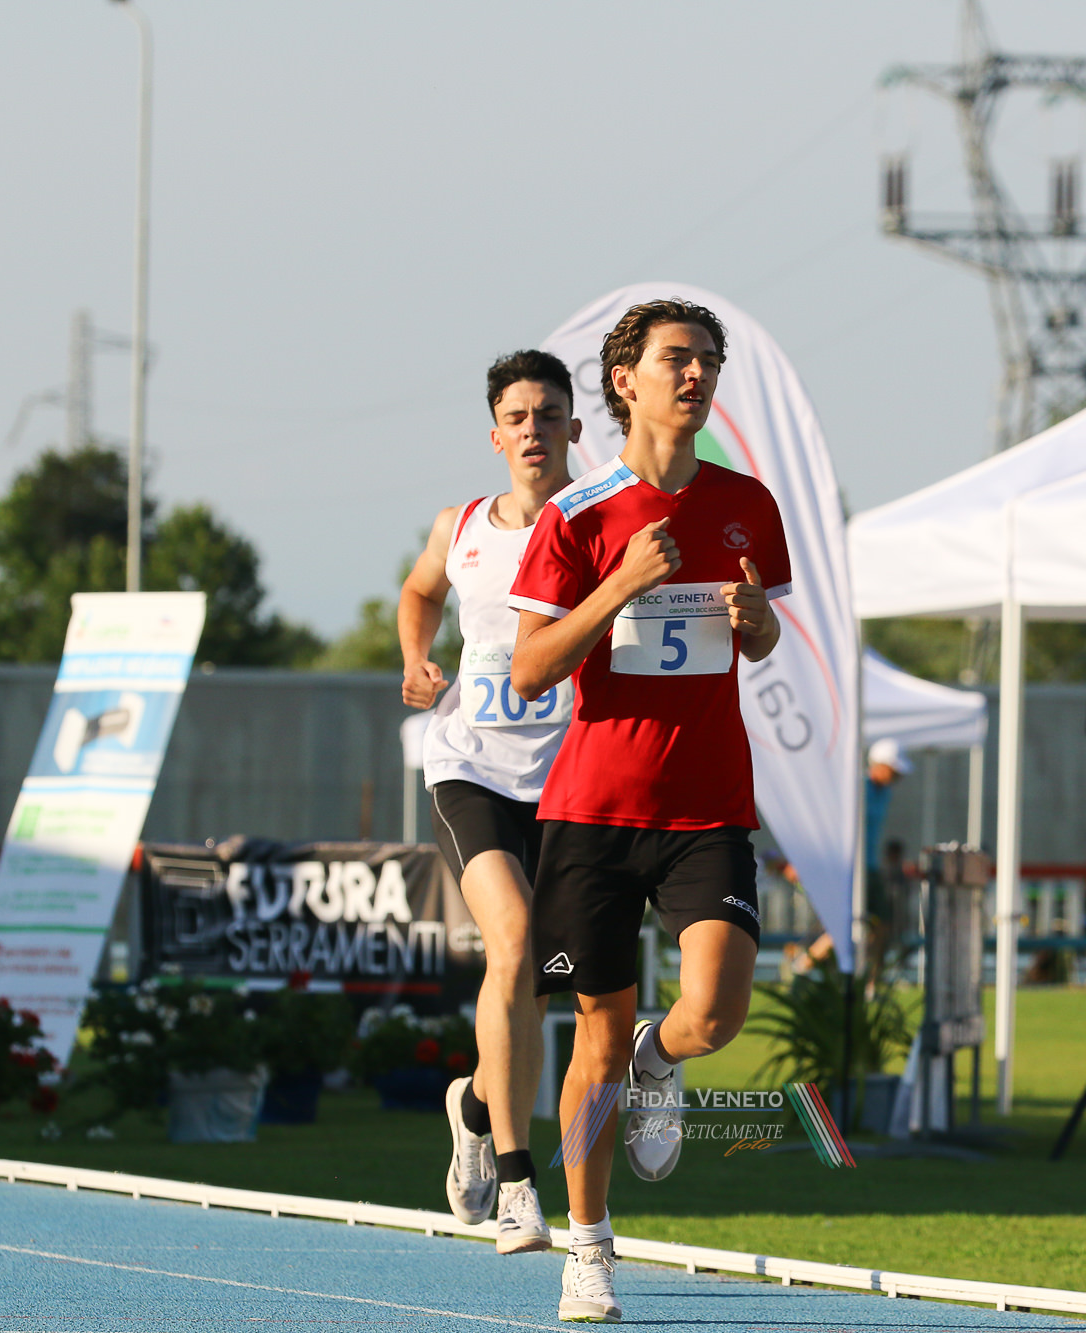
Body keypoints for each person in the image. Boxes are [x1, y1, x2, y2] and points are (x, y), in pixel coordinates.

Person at [507, 298, 790, 1323]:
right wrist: (618, 586)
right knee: (592, 1035)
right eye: (678, 357)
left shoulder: (745, 503)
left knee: (714, 1011)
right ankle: (589, 1247)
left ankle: (659, 1057)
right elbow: (530, 669)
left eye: (709, 359)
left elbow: (758, 641)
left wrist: (757, 625)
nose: (697, 374)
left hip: (707, 808)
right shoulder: (577, 515)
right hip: (591, 816)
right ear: (625, 381)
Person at [398, 349, 580, 1256]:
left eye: (548, 415)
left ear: (574, 428)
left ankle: (474, 1103)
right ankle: (516, 1182)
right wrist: (414, 658)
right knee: (510, 944)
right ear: (496, 435)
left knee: (533, 989)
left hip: (568, 778)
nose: (533, 430)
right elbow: (419, 589)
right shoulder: (461, 523)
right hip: (470, 766)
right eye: (517, 417)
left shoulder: (600, 523)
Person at [862, 737, 910, 930]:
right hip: (850, 868)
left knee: (881, 923)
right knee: (845, 924)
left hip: (870, 866)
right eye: (893, 770)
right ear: (879, 765)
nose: (898, 776)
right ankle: (808, 953)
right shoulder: (857, 787)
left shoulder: (885, 793)